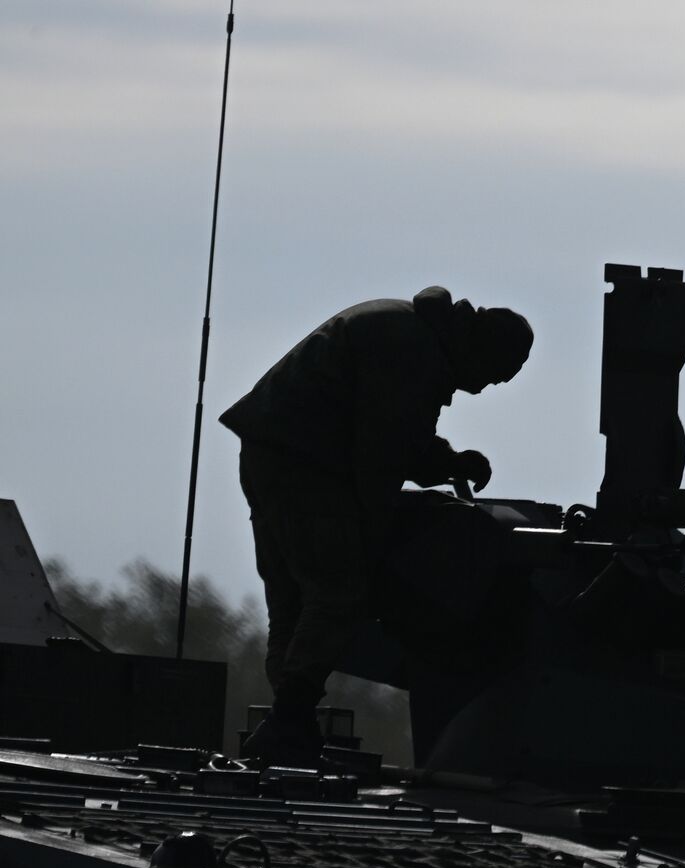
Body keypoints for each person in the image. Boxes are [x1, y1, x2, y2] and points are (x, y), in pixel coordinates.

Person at [219, 285, 532, 764]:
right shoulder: (413, 348)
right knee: (339, 594)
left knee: (295, 601)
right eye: (493, 374)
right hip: (306, 467)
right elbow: (381, 454)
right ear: (482, 349)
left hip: (273, 455)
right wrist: (372, 545)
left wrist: (447, 462)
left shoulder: (410, 332)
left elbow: (393, 434)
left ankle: (287, 727)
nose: (485, 386)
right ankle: (288, 722)